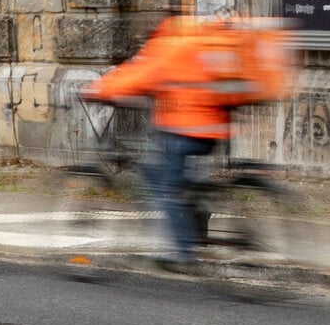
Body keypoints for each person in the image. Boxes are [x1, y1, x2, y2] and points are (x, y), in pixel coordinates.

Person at [82, 15, 282, 265]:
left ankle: (182, 254)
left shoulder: (169, 46)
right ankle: (195, 230)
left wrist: (97, 90)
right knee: (185, 184)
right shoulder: (200, 42)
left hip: (184, 130)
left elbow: (137, 77)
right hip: (212, 129)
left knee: (167, 190)